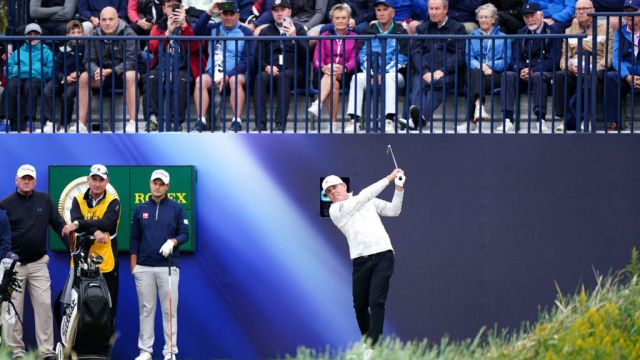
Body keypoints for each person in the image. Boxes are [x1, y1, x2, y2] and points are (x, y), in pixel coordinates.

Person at [323, 168, 405, 349]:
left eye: (334, 187)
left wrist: (398, 189)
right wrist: (388, 178)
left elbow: (393, 211)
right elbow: (363, 197)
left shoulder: (368, 200)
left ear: (343, 186)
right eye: (328, 192)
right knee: (360, 306)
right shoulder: (335, 210)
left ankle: (373, 348)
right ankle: (371, 343)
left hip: (384, 255)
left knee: (376, 301)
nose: (332, 192)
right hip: (361, 261)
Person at [0, 164, 68, 360]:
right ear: (16, 180)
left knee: (44, 307)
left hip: (39, 264)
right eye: (24, 178)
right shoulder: (6, 204)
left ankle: (46, 352)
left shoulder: (44, 200)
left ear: (35, 181)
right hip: (13, 267)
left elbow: (58, 223)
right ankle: (16, 353)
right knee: (12, 311)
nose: (27, 181)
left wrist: (70, 242)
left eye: (30, 178)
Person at [130, 169, 188, 360]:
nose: (158, 186)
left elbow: (185, 233)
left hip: (168, 267)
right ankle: (145, 351)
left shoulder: (177, 208)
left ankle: (170, 352)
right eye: (155, 183)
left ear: (167, 186)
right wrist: (134, 266)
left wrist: (172, 242)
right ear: (150, 184)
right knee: (146, 310)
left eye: (161, 183)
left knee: (169, 310)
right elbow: (134, 238)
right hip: (144, 268)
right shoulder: (140, 209)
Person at [61, 164, 121, 339]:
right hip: (80, 260)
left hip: (106, 263)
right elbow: (77, 218)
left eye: (101, 180)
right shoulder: (77, 199)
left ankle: (103, 349)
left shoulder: (113, 202)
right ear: (88, 180)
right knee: (76, 304)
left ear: (107, 182)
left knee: (106, 307)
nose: (97, 183)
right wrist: (95, 231)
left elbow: (107, 224)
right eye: (94, 179)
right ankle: (75, 347)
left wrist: (80, 225)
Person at [402, 0, 467, 131]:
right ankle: (417, 119)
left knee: (437, 83)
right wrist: (425, 71)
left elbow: (460, 55)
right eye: (431, 9)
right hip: (425, 70)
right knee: (417, 82)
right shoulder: (422, 28)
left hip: (447, 73)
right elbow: (416, 52)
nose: (433, 12)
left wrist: (442, 71)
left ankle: (415, 119)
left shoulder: (457, 28)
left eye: (437, 9)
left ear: (445, 10)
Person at [345, 0, 408, 133]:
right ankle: (353, 120)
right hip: (372, 73)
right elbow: (362, 55)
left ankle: (388, 120)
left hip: (394, 74)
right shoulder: (368, 30)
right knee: (357, 78)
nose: (381, 13)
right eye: (378, 10)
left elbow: (402, 58)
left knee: (389, 78)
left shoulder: (400, 31)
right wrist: (372, 73)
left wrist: (383, 73)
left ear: (393, 13)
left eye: (385, 9)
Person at [499, 2, 561, 133]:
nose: (529, 19)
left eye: (532, 15)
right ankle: (507, 119)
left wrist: (533, 70)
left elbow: (553, 60)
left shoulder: (553, 32)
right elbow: (515, 58)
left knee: (538, 76)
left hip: (543, 73)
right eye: (526, 16)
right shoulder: (521, 33)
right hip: (523, 73)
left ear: (541, 15)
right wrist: (521, 69)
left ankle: (541, 119)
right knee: (508, 75)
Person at [77, 6, 140, 133]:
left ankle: (133, 122)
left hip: (123, 74)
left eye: (111, 19)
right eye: (104, 20)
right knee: (84, 77)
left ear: (117, 20)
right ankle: (81, 124)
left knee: (130, 76)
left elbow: (131, 61)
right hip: (102, 75)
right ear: (99, 21)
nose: (107, 23)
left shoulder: (129, 34)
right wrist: (96, 70)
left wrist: (111, 71)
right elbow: (88, 60)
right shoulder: (93, 34)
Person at [143, 0, 204, 132]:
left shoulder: (191, 23)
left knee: (180, 80)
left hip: (183, 66)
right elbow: (153, 47)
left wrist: (184, 26)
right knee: (151, 77)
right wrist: (167, 33)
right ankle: (152, 120)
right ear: (164, 9)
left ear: (182, 8)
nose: (172, 9)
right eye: (169, 6)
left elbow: (195, 47)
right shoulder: (158, 26)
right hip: (161, 66)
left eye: (176, 6)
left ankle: (174, 122)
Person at [193, 1, 253, 132]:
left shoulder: (246, 32)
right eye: (225, 14)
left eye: (232, 14)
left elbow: (247, 59)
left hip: (237, 73)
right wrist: (209, 12)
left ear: (238, 15)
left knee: (234, 80)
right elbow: (196, 31)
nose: (228, 17)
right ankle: (200, 121)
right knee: (200, 81)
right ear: (220, 15)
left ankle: (236, 121)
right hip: (212, 73)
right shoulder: (213, 28)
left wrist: (228, 75)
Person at [553, 0, 612, 131]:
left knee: (592, 79)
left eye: (585, 8)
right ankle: (564, 119)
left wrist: (592, 68)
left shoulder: (606, 28)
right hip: (574, 69)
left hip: (595, 68)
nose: (580, 12)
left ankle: (587, 119)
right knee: (559, 76)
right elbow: (564, 58)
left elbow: (608, 58)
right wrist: (569, 67)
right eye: (578, 9)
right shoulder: (568, 31)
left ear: (593, 10)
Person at [253, 0, 309, 131]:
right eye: (276, 10)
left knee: (284, 77)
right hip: (272, 69)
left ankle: (280, 124)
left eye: (282, 10)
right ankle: (260, 124)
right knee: (260, 77)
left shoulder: (299, 29)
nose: (279, 13)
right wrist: (266, 67)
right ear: (272, 13)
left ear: (289, 11)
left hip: (293, 70)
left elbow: (305, 55)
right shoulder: (266, 31)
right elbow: (259, 57)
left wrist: (295, 38)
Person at [458, 3, 511, 133]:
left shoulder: (503, 37)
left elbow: (506, 61)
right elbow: (468, 58)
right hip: (477, 73)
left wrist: (490, 65)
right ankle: (479, 108)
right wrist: (482, 67)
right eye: (480, 17)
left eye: (486, 17)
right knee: (475, 73)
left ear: (493, 19)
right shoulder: (472, 36)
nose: (483, 20)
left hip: (495, 75)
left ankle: (470, 120)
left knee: (474, 77)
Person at [308, 3, 357, 125]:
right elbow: (317, 58)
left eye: (343, 18)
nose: (340, 21)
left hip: (346, 74)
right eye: (337, 18)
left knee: (333, 77)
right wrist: (324, 67)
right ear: (332, 20)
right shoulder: (324, 36)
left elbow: (355, 59)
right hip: (323, 73)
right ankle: (333, 123)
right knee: (333, 84)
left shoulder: (355, 37)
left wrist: (344, 68)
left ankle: (319, 104)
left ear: (349, 19)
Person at [0, 23, 53, 133]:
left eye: (36, 34)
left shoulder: (46, 52)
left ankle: (29, 121)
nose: (32, 37)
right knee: (10, 86)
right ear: (25, 37)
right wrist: (18, 70)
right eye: (30, 34)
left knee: (30, 87)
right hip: (18, 76)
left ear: (40, 37)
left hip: (35, 78)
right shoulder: (18, 51)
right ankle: (6, 120)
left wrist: (36, 71)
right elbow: (7, 69)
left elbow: (51, 70)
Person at [42, 20, 86, 133]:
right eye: (73, 32)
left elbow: (87, 65)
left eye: (78, 32)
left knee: (66, 96)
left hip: (77, 81)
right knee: (47, 91)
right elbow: (55, 69)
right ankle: (49, 122)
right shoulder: (63, 49)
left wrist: (79, 73)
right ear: (68, 35)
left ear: (83, 34)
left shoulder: (87, 48)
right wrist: (64, 78)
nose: (76, 35)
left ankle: (64, 125)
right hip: (61, 79)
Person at [604, 0, 640, 131]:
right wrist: (627, 76)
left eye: (633, 12)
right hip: (627, 73)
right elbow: (615, 59)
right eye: (626, 12)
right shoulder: (620, 32)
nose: (628, 15)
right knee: (611, 77)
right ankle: (613, 122)